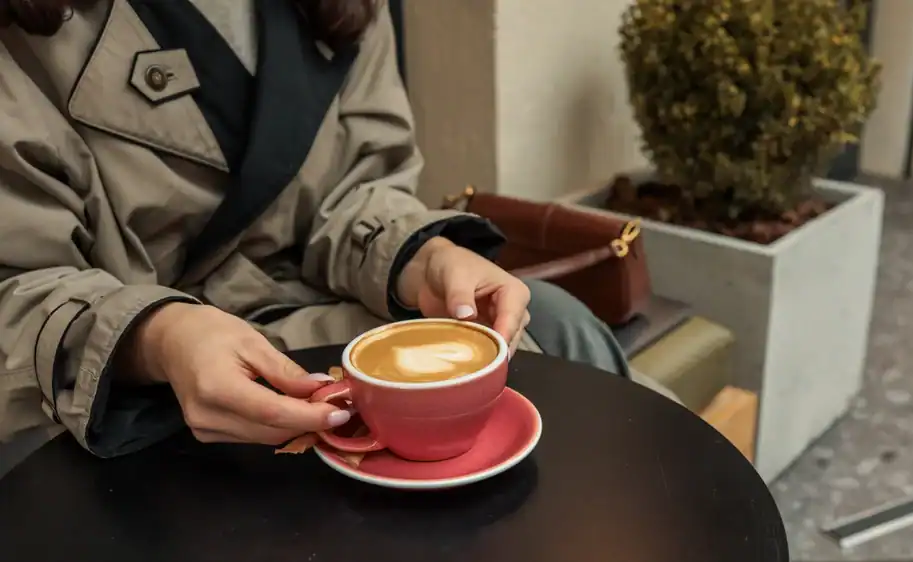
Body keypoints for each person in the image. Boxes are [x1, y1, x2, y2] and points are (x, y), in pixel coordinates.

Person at [0, 0, 631, 475]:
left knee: (557, 324)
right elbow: (19, 288)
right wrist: (158, 337)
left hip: (306, 313)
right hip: (109, 388)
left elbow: (354, 186)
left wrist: (423, 256)